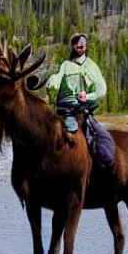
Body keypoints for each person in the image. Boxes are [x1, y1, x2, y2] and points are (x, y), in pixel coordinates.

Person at [43, 33, 115, 166]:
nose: (80, 45)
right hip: (64, 110)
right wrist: (50, 83)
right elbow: (56, 79)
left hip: (82, 110)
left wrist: (87, 96)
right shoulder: (65, 65)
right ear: (73, 45)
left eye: (82, 43)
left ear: (86, 46)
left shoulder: (91, 66)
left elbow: (102, 89)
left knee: (99, 140)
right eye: (77, 43)